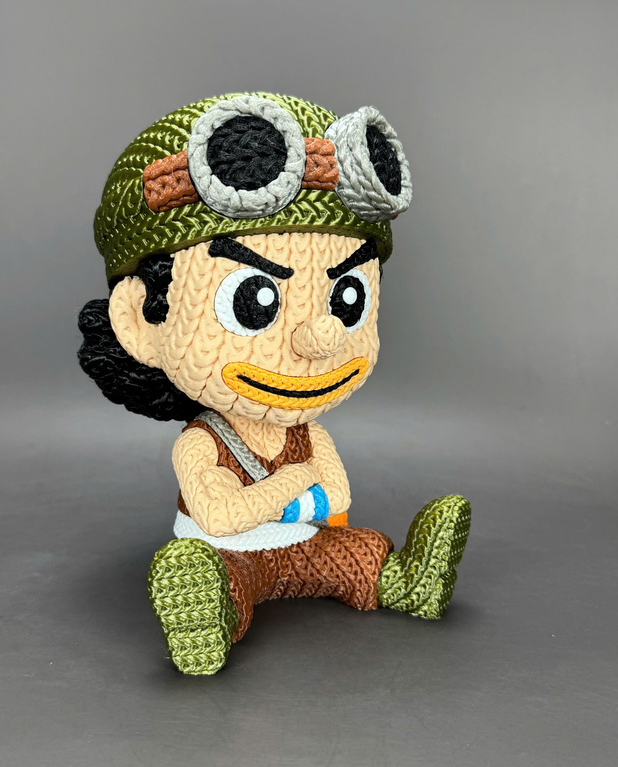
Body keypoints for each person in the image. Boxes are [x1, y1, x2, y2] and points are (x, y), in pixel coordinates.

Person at [78, 93, 471, 675]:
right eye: (254, 302)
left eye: (348, 299)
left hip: (303, 546)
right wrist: (296, 482)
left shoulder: (307, 432)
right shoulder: (202, 443)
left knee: (358, 549)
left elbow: (338, 500)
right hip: (229, 554)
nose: (321, 337)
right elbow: (220, 518)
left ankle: (403, 578)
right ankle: (205, 609)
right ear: (142, 322)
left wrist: (288, 495)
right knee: (224, 580)